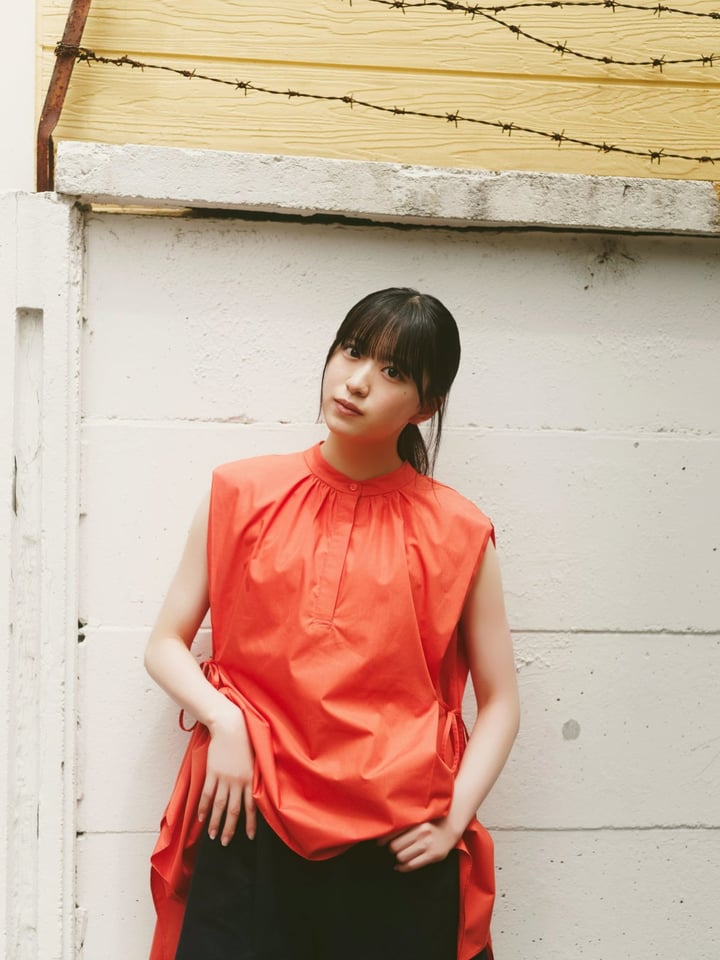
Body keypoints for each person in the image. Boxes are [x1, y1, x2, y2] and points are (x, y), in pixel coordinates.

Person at [145, 287, 520, 960]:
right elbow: (164, 645)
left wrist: (454, 819)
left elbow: (501, 703)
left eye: (393, 371)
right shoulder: (240, 493)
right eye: (352, 351)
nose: (357, 381)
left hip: (397, 841)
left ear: (426, 406)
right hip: (249, 816)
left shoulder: (461, 532)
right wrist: (225, 721)